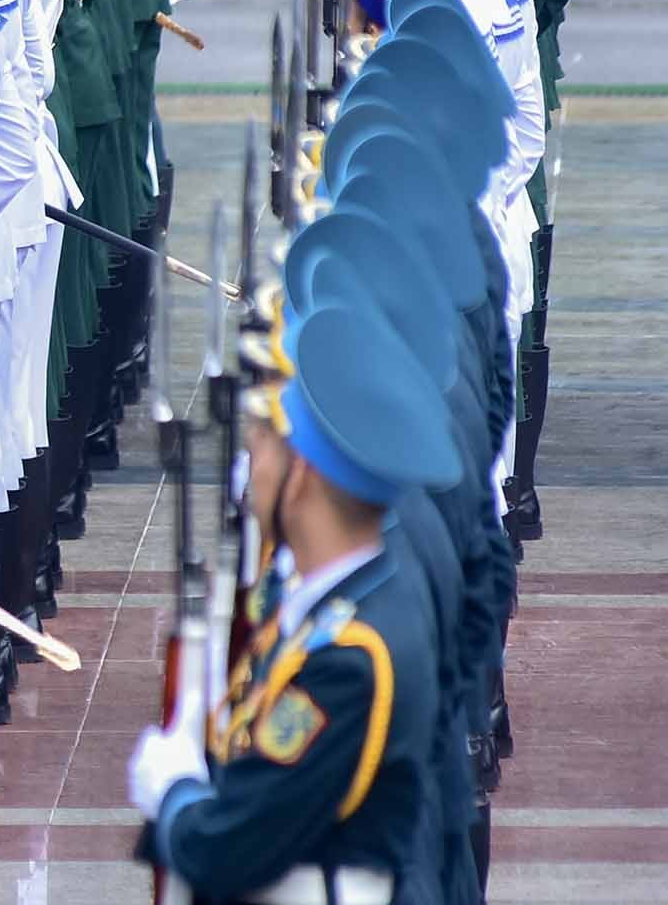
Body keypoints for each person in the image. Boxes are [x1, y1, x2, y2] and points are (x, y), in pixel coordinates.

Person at [130, 307, 458, 903]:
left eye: (260, 440)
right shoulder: (331, 602)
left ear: (301, 474)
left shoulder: (350, 659)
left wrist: (173, 795)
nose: (246, 460)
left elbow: (233, 845)